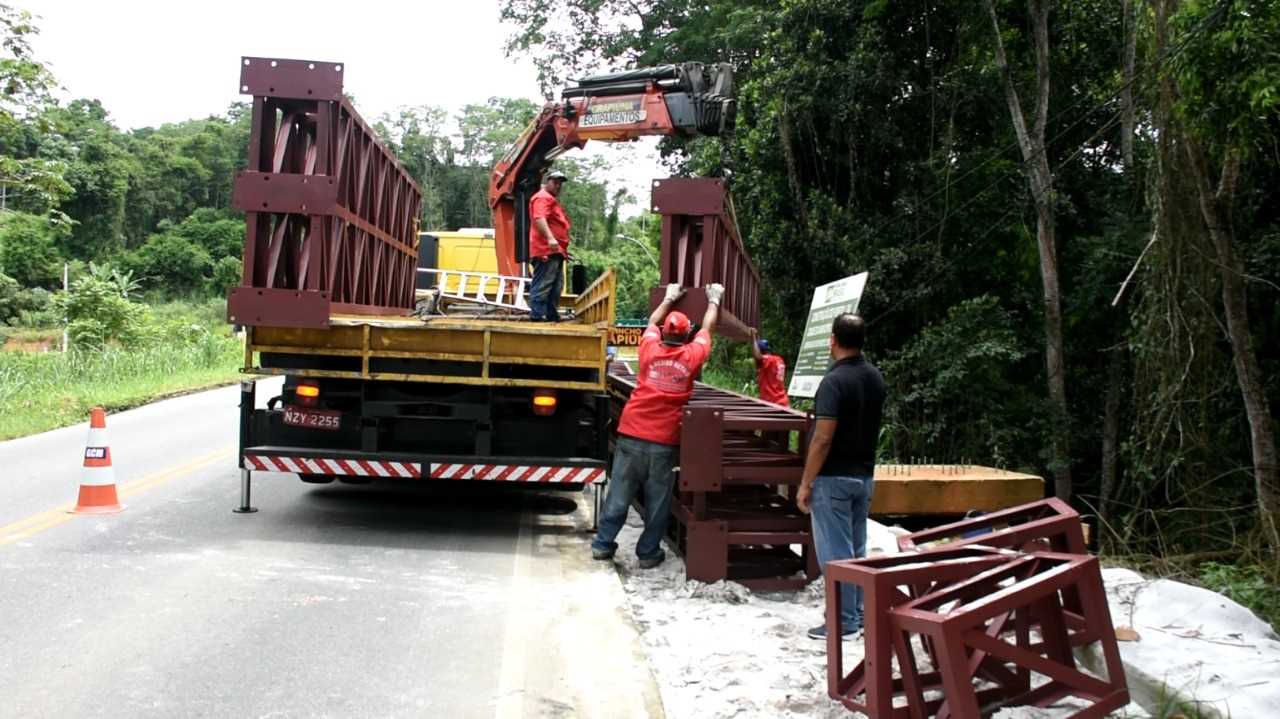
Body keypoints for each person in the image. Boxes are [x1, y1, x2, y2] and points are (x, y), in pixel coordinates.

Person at [592, 282, 726, 568]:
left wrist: (669, 298)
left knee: (619, 494)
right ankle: (648, 553)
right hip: (664, 441)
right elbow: (708, 330)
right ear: (686, 335)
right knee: (658, 502)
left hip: (631, 434)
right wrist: (714, 300)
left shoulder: (649, 348)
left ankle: (603, 544)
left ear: (664, 333)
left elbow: (652, 320)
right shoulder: (691, 357)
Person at [796, 313, 886, 639]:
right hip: (863, 478)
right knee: (856, 552)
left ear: (832, 340)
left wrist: (806, 483)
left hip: (833, 478)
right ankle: (858, 615)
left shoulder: (834, 382)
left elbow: (822, 438)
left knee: (836, 557)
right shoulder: (875, 377)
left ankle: (844, 622)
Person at [528, 169, 571, 321]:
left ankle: (551, 315)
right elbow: (539, 218)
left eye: (560, 183)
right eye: (555, 182)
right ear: (547, 182)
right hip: (545, 250)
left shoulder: (549, 199)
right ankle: (537, 316)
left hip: (556, 251)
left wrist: (562, 248)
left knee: (556, 285)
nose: (558, 186)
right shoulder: (542, 198)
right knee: (543, 284)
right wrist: (551, 238)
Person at [748, 327, 790, 407]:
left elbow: (757, 357)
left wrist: (753, 338)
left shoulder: (768, 360)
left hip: (773, 403)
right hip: (783, 402)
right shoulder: (779, 360)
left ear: (760, 351)